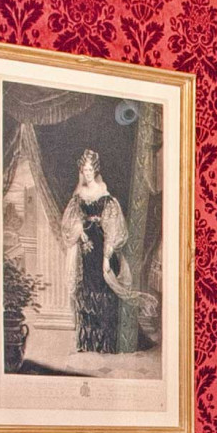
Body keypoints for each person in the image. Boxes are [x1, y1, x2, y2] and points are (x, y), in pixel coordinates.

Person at [65, 146, 139, 356]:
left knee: (103, 287)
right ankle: (88, 342)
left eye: (89, 170)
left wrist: (107, 257)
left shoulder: (105, 195)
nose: (86, 174)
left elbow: (113, 228)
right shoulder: (79, 194)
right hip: (86, 246)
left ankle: (105, 343)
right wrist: (81, 234)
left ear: (95, 170)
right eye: (84, 170)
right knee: (86, 287)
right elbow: (73, 219)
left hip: (101, 244)